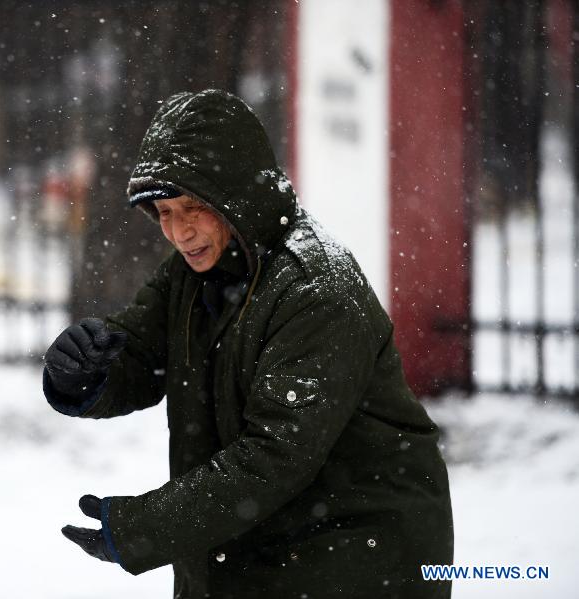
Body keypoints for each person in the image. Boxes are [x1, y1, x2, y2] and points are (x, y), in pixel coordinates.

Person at [43, 89, 454, 598]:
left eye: (193, 206)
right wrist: (81, 371)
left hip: (354, 562)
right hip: (250, 556)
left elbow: (274, 457)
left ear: (237, 196)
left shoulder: (316, 289)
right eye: (164, 211)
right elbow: (140, 355)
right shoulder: (193, 273)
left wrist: (139, 529)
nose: (179, 230)